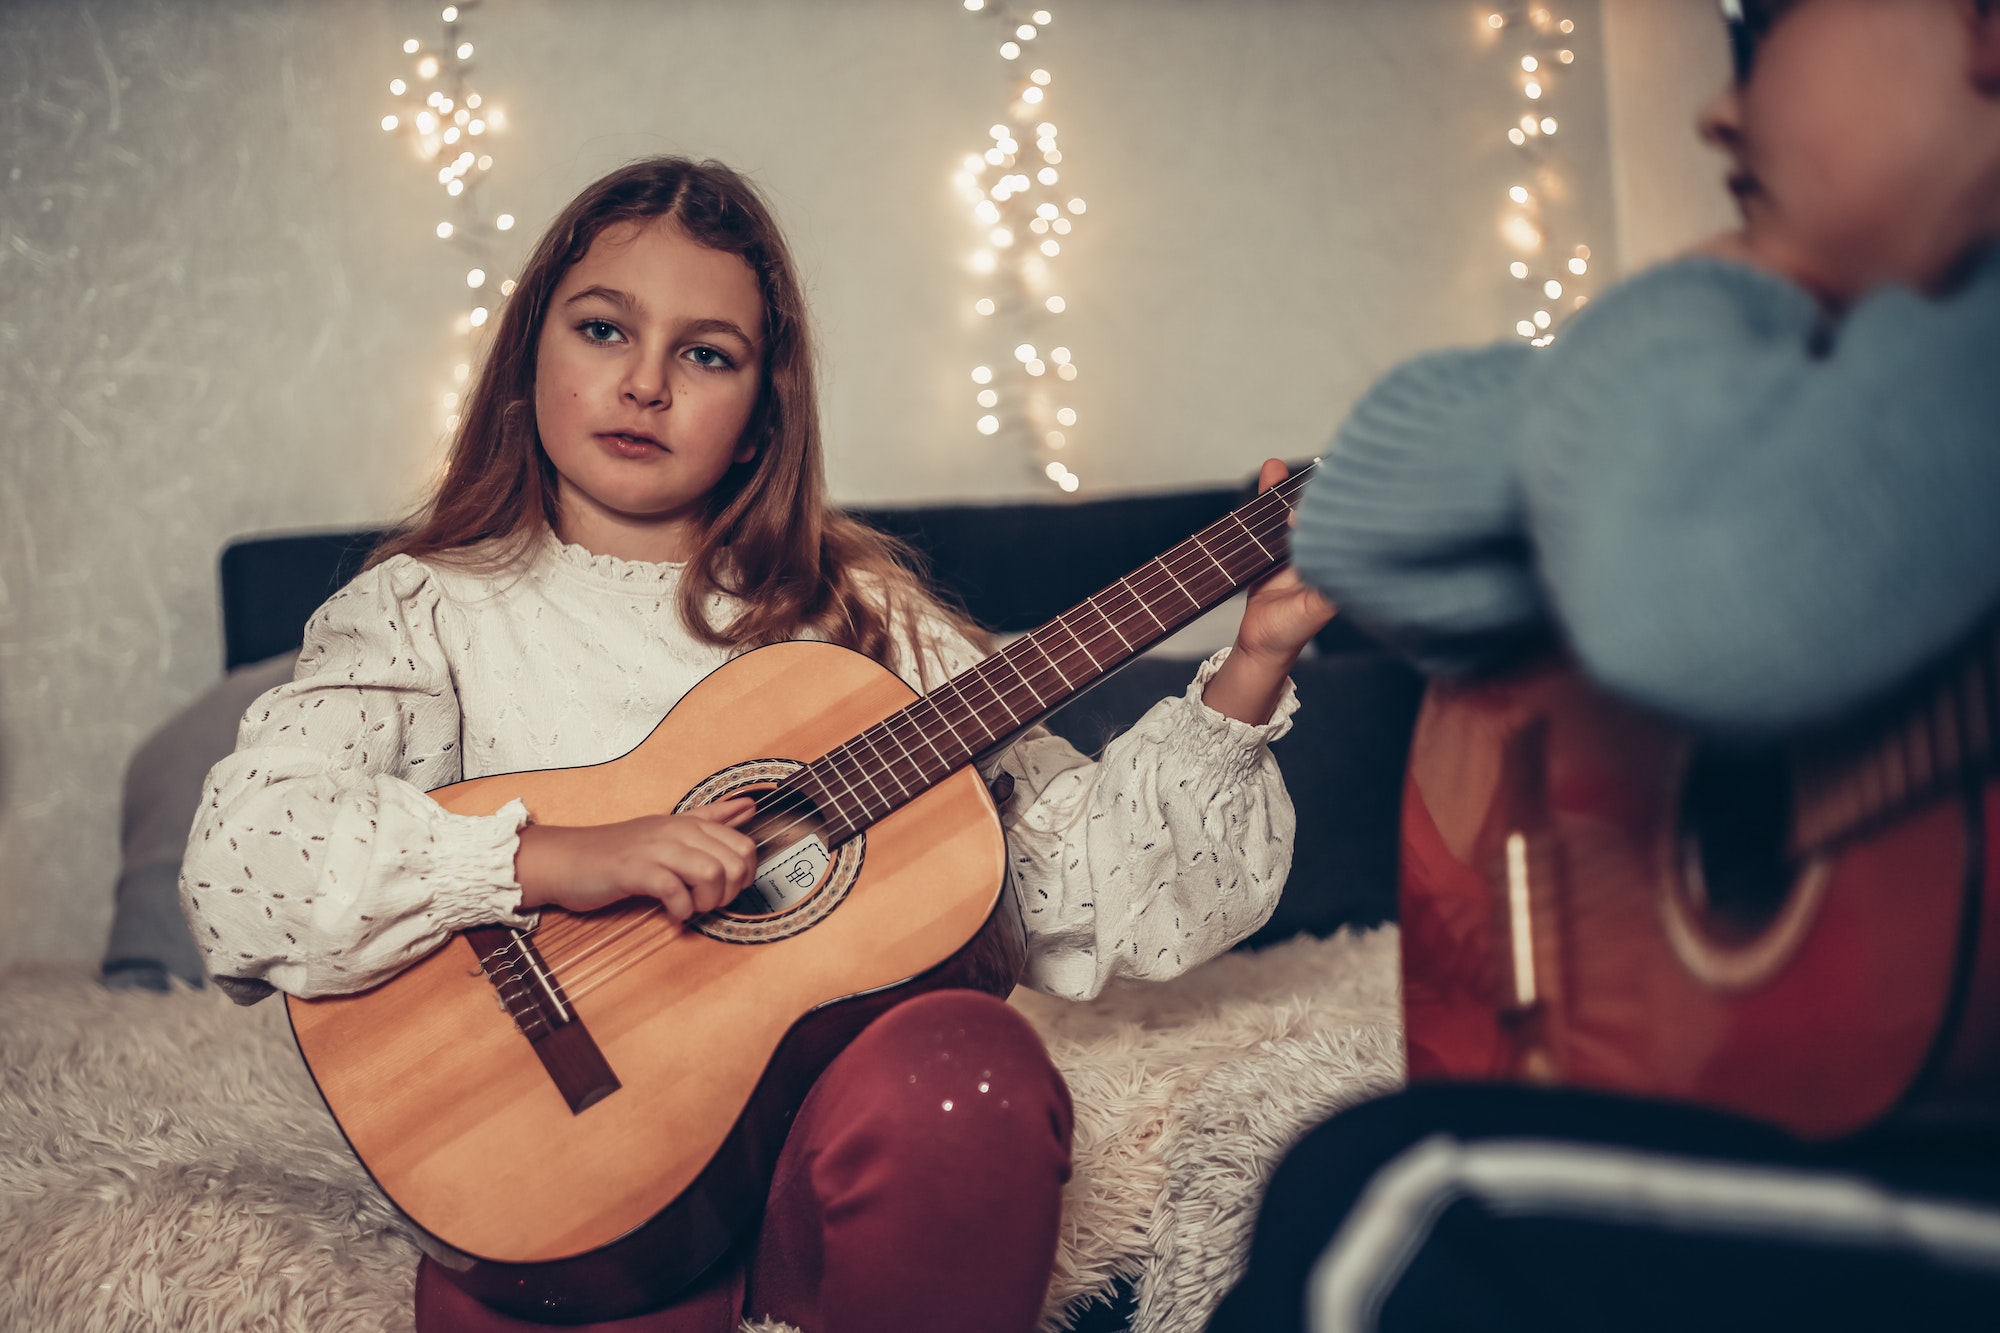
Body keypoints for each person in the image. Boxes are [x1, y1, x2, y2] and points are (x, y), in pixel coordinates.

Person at [180, 156, 1334, 1333]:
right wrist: (556, 858)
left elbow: (1107, 891)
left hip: (840, 1165)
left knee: (971, 1058)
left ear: (755, 420)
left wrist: (1256, 658)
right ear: (530, 360)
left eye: (705, 354)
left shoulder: (868, 621)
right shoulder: (426, 610)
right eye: (601, 329)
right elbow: (242, 860)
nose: (644, 383)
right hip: (566, 1184)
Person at [1211, 1, 2000, 1330]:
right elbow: (1363, 520)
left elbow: (1697, 601)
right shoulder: (1830, 376)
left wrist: (1731, 277)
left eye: (1766, 34)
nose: (1718, 111)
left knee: (1398, 1195)